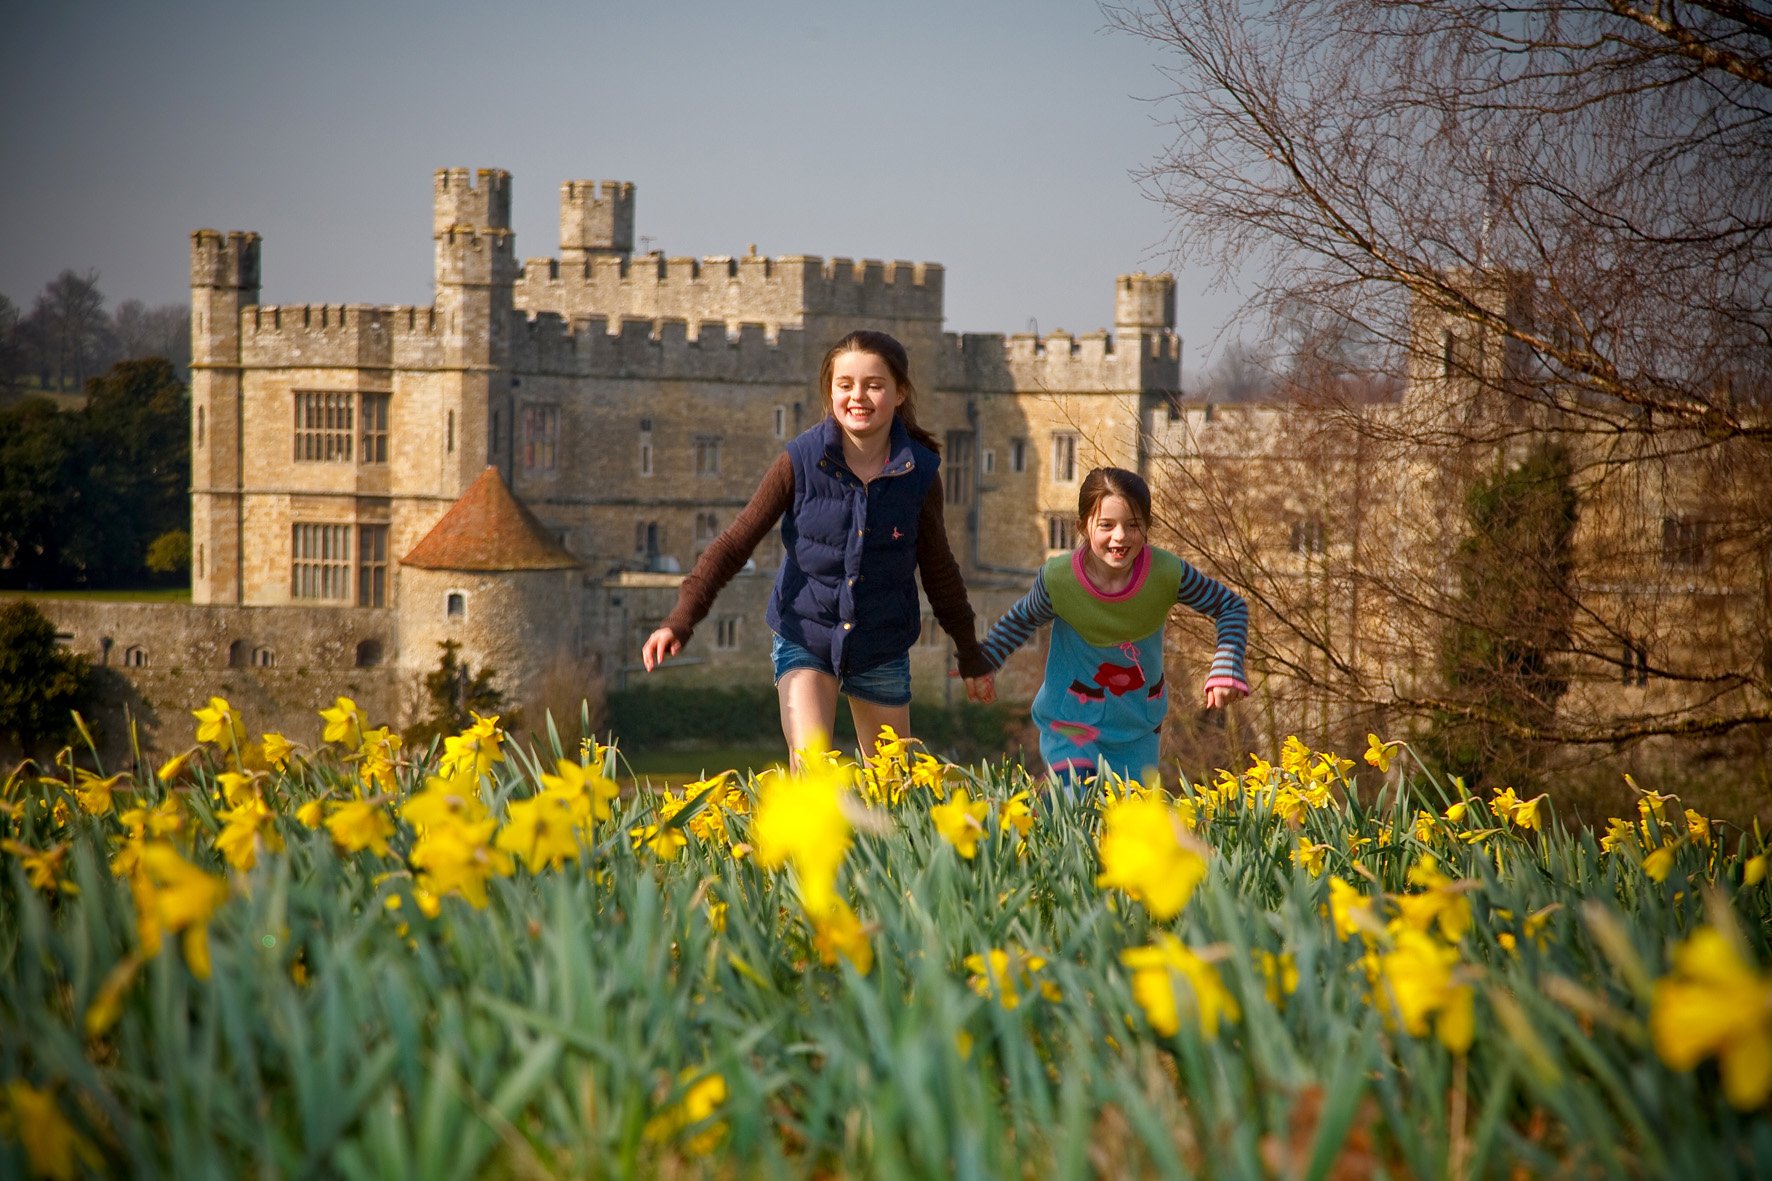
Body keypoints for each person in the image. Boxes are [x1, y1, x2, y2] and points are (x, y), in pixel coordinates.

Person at [640, 329, 994, 764]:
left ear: (900, 392)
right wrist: (680, 619)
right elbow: (735, 543)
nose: (858, 397)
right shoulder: (800, 460)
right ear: (830, 391)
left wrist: (970, 653)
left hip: (881, 643)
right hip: (805, 632)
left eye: (874, 385)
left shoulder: (919, 474)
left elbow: (939, 571)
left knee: (895, 786)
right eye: (845, 385)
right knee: (812, 769)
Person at [975, 466, 1248, 788]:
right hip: (1070, 723)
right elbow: (1021, 620)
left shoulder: (1166, 574)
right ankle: (1055, 805)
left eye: (1133, 525)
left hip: (1137, 729)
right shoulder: (1060, 580)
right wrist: (984, 661)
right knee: (1077, 798)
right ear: (1082, 526)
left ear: (1146, 528)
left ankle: (1045, 810)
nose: (1120, 536)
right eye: (1106, 525)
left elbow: (1230, 606)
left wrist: (1225, 668)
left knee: (1123, 822)